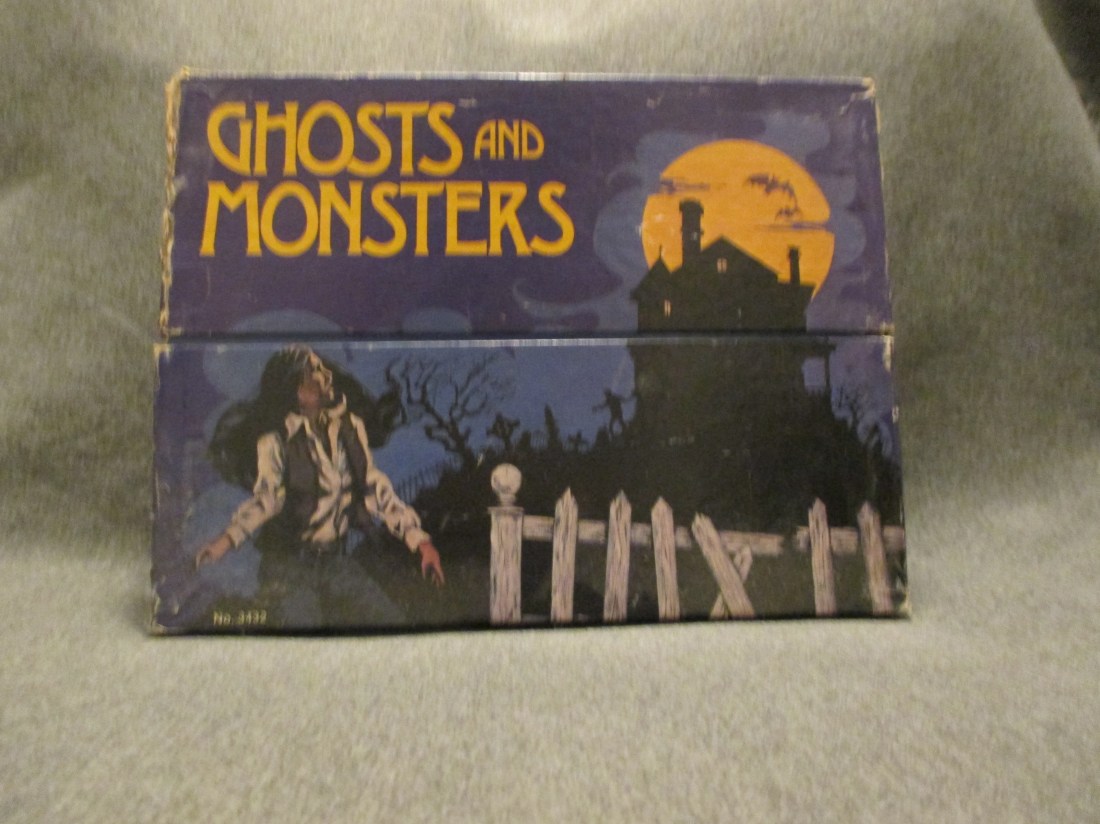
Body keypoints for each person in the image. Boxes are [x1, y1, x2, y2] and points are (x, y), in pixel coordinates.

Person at [196, 344, 444, 628]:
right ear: (298, 392)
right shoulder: (275, 443)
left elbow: (373, 487)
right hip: (288, 567)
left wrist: (421, 542)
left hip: (336, 561)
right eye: (314, 370)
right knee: (304, 634)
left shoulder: (350, 427)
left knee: (389, 622)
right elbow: (267, 500)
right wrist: (225, 541)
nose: (327, 373)